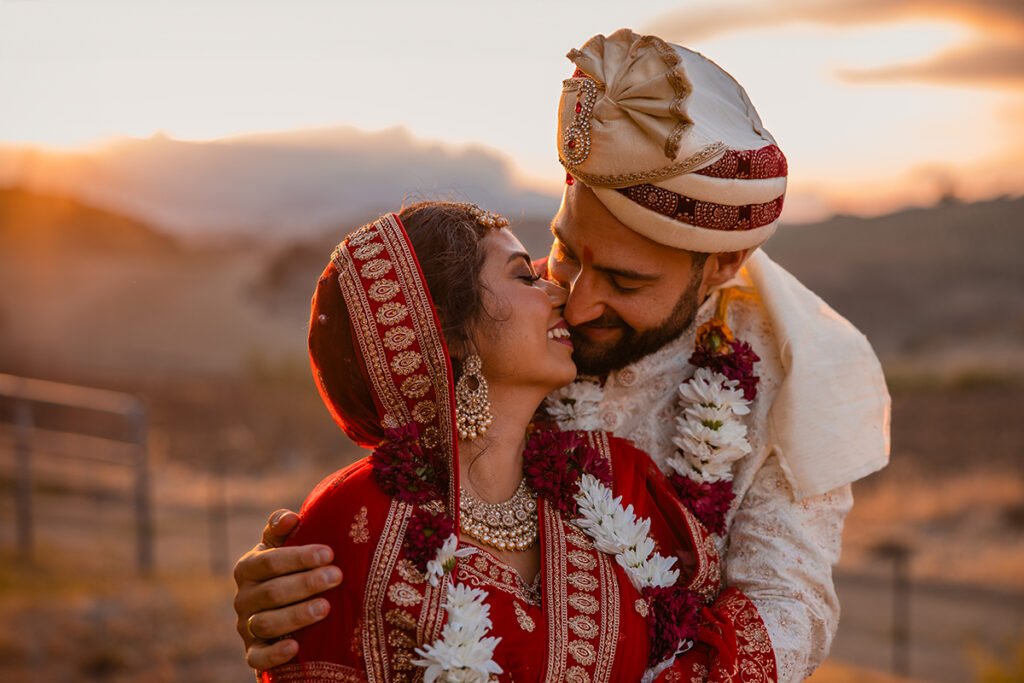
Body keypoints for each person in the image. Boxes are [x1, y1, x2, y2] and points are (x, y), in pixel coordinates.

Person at [234, 30, 890, 682]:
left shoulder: (793, 378)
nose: (574, 304)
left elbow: (787, 604)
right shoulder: (508, 322)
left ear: (721, 265)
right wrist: (307, 586)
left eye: (625, 282)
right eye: (566, 253)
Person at [256, 201, 775, 682]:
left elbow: (710, 637)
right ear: (448, 332)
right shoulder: (355, 523)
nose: (561, 294)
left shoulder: (612, 479)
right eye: (526, 277)